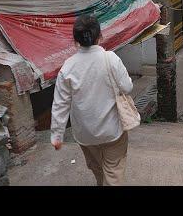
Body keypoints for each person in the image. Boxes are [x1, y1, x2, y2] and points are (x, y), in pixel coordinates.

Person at [50, 14, 133, 186]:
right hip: (112, 130)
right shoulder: (110, 59)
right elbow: (127, 88)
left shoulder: (68, 67)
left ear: (75, 40)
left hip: (85, 134)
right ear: (100, 36)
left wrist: (56, 135)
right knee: (113, 171)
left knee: (97, 169)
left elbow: (60, 104)